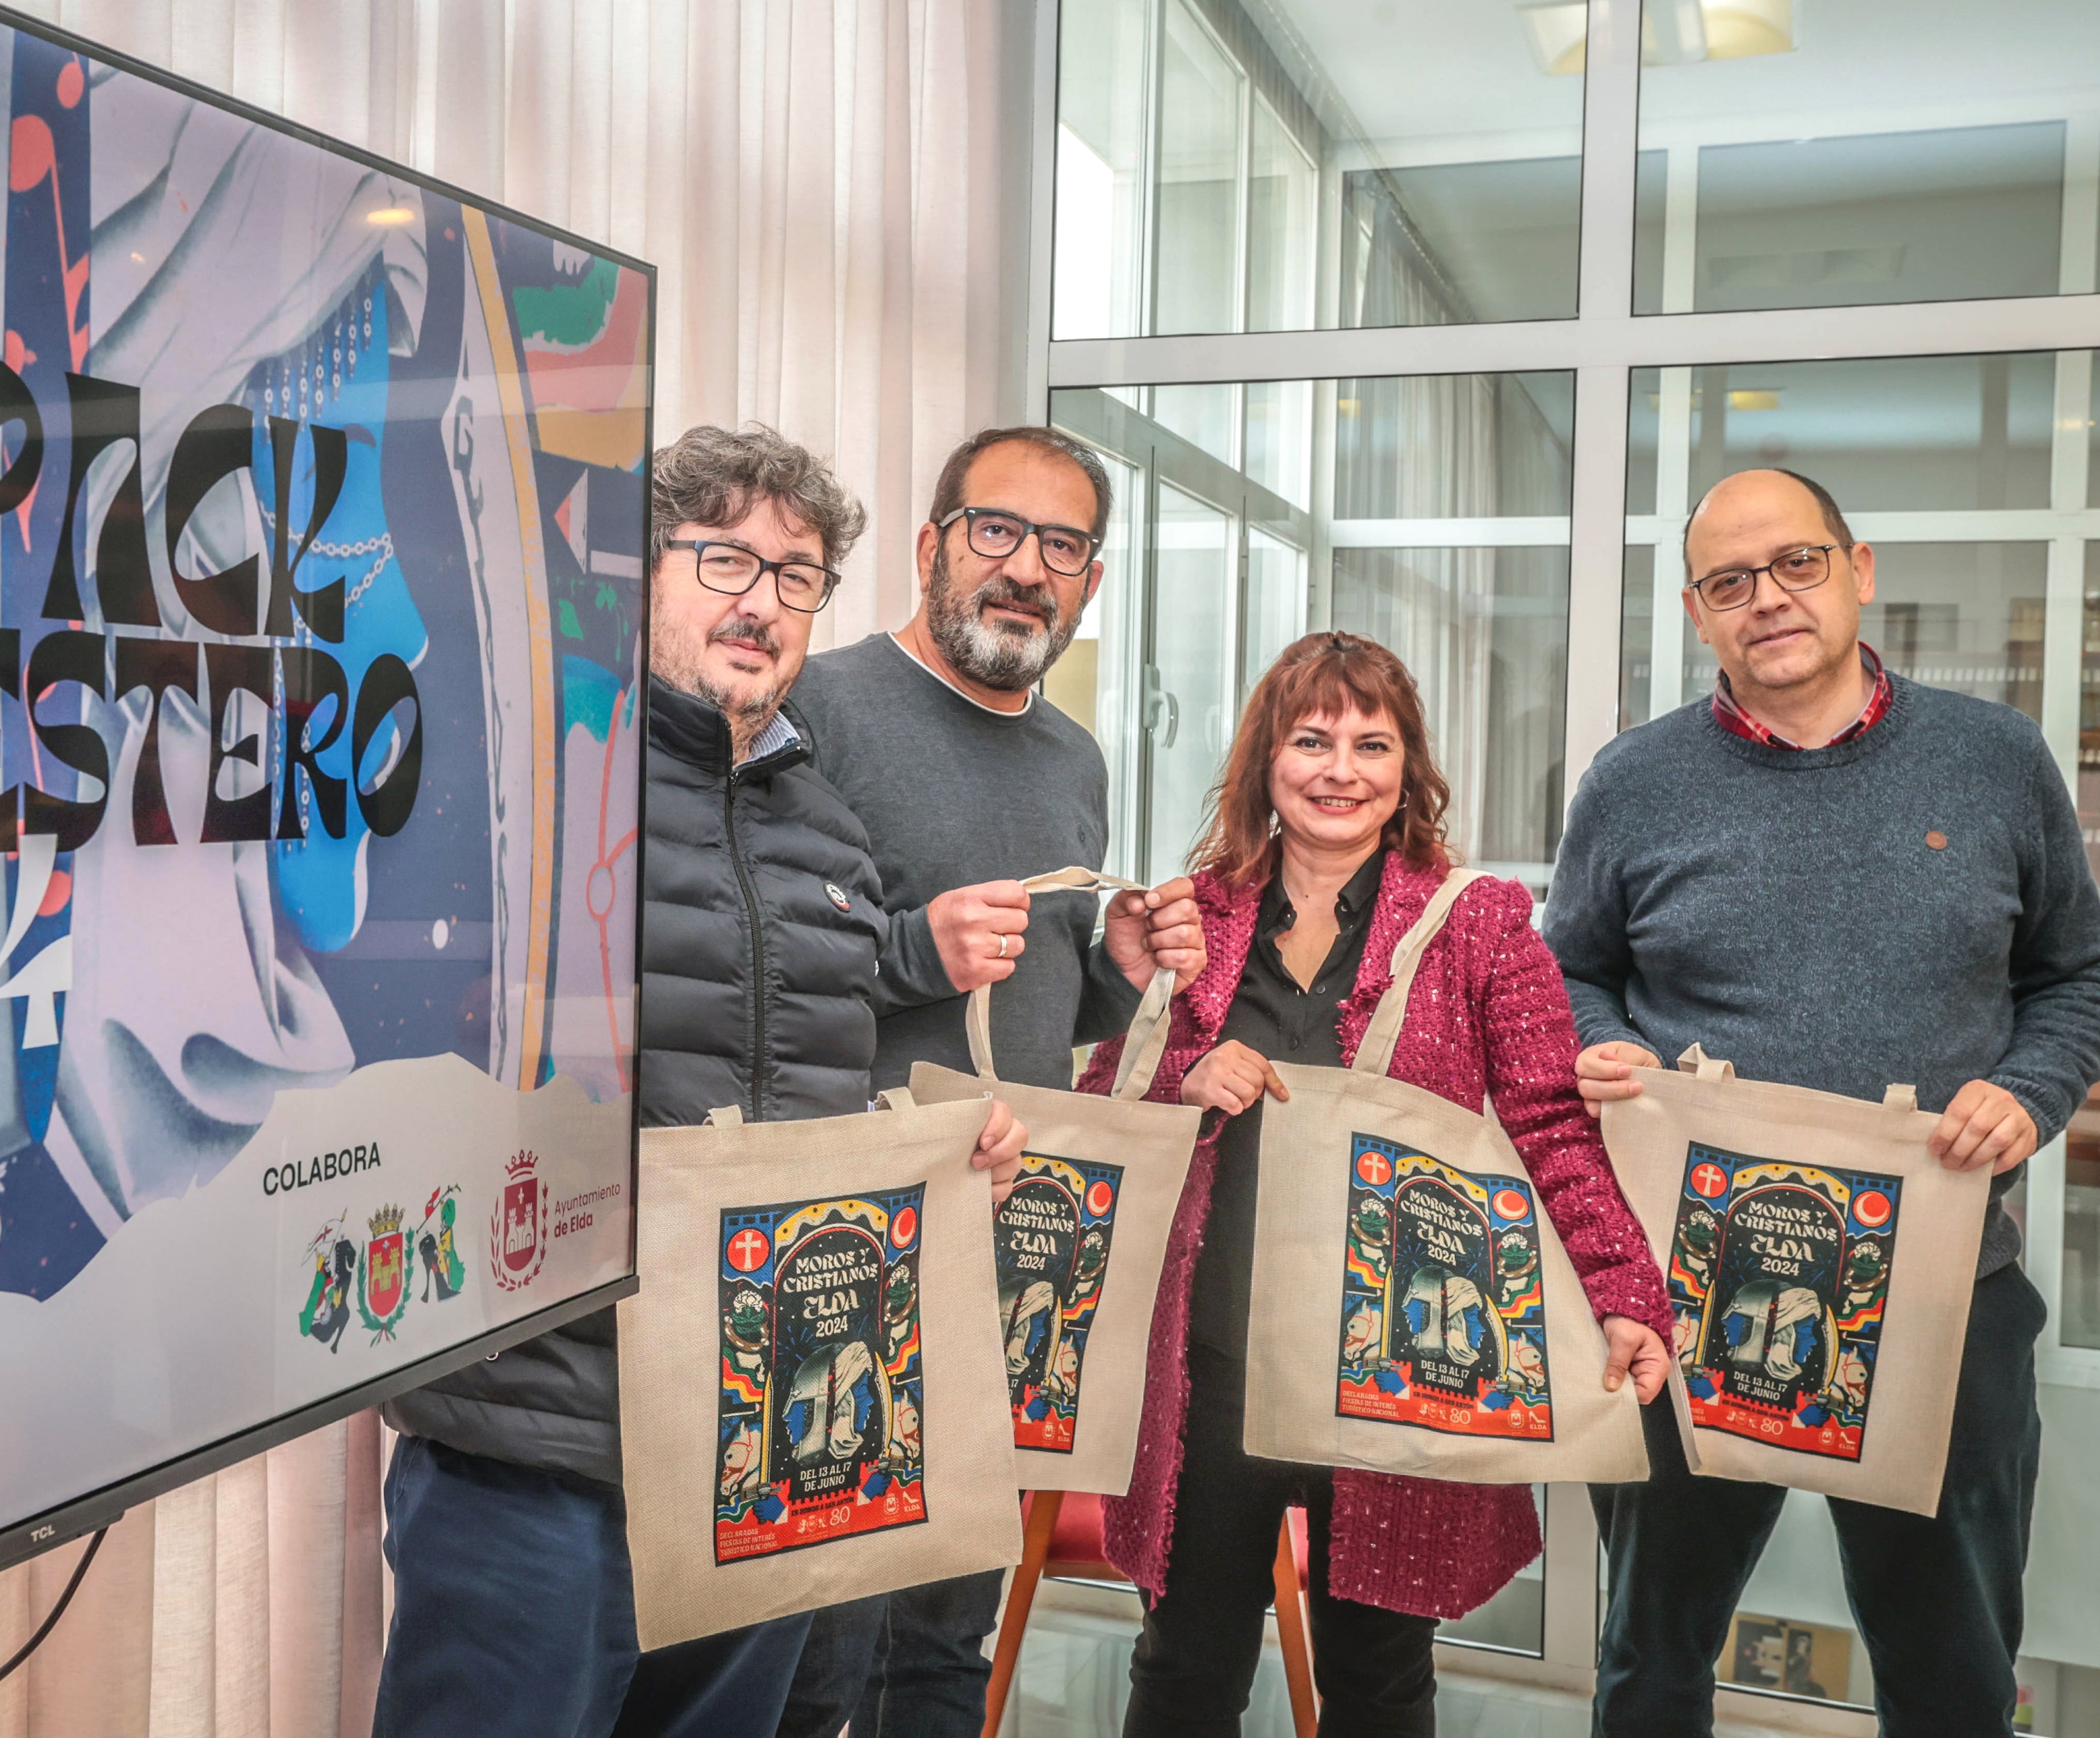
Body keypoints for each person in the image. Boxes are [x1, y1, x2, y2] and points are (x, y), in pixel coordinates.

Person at [373, 424, 1028, 1738]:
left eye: (797, 575)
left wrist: (931, 1157)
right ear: (636, 569)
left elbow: (802, 1108)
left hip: (756, 1452)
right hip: (541, 1449)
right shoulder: (526, 790)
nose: (762, 599)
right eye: (725, 556)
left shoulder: (830, 838)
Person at [1543, 466, 2100, 1738]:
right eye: (1729, 581)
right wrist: (1599, 1046)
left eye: (1796, 564)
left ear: (1859, 569)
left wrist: (2029, 1093)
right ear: (1698, 612)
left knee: (1954, 1669)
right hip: (1686, 1298)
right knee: (1651, 1653)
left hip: (1941, 1291)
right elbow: (1573, 969)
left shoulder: (1996, 760)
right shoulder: (1633, 780)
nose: (1768, 599)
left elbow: (2082, 977)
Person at [1081, 631, 1674, 1738]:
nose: (1338, 767)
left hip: (1399, 1373)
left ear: (1408, 767)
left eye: (1370, 740)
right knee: (1182, 1670)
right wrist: (1181, 1073)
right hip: (1209, 1372)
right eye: (1310, 738)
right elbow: (1105, 1100)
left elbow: (1549, 1118)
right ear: (1267, 756)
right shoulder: (1194, 916)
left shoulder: (1481, 923)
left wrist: (1625, 1287)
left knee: (1379, 1679)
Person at [776, 425, 1206, 1738]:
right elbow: (756, 954)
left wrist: (1121, 968)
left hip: (1002, 1236)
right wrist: (913, 946)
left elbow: (1041, 998)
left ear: (1090, 580)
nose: (1025, 569)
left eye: (1061, 545)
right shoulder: (822, 702)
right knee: (818, 1635)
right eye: (996, 532)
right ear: (931, 546)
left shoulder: (1073, 757)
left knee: (948, 1630)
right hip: (833, 1237)